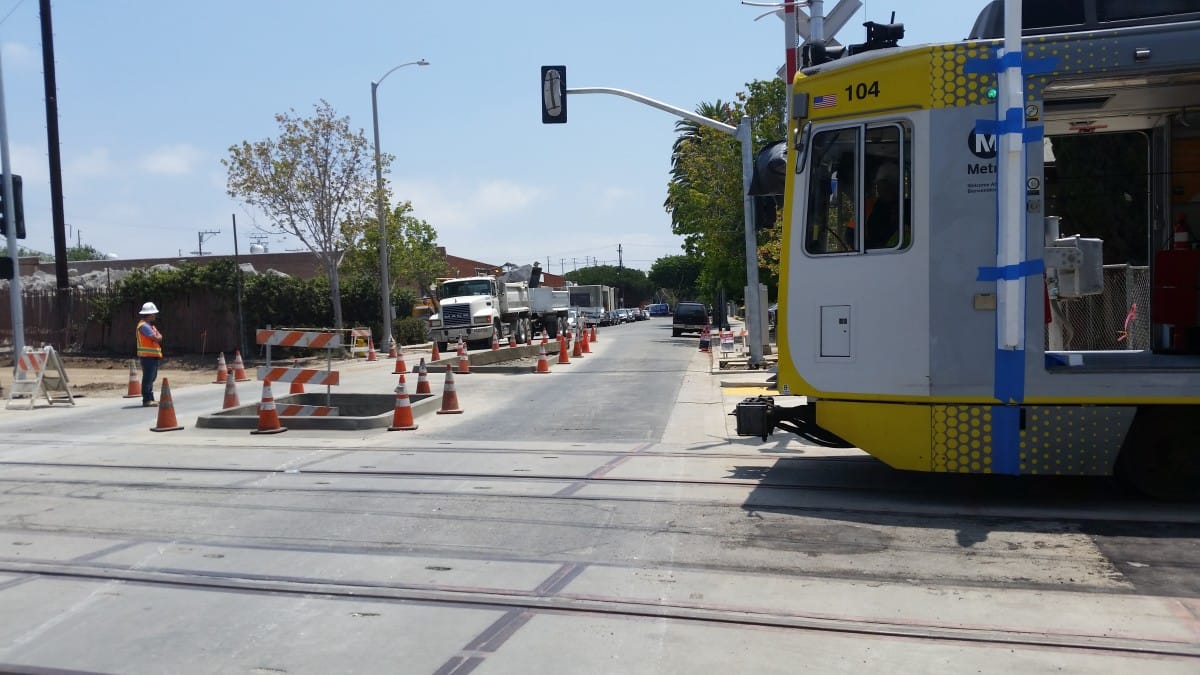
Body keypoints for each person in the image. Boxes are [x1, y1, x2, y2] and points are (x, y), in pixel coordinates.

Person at [865, 162, 901, 249]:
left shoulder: (908, 208)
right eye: (878, 185)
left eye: (881, 184)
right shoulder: (872, 206)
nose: (878, 189)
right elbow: (850, 235)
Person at [136, 302, 163, 407]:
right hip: (147, 357)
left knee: (152, 377)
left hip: (152, 356)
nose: (155, 315)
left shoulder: (150, 326)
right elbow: (157, 338)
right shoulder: (144, 326)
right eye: (154, 313)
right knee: (148, 378)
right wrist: (158, 336)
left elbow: (160, 337)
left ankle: (150, 398)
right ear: (150, 314)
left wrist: (159, 336)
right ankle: (146, 399)